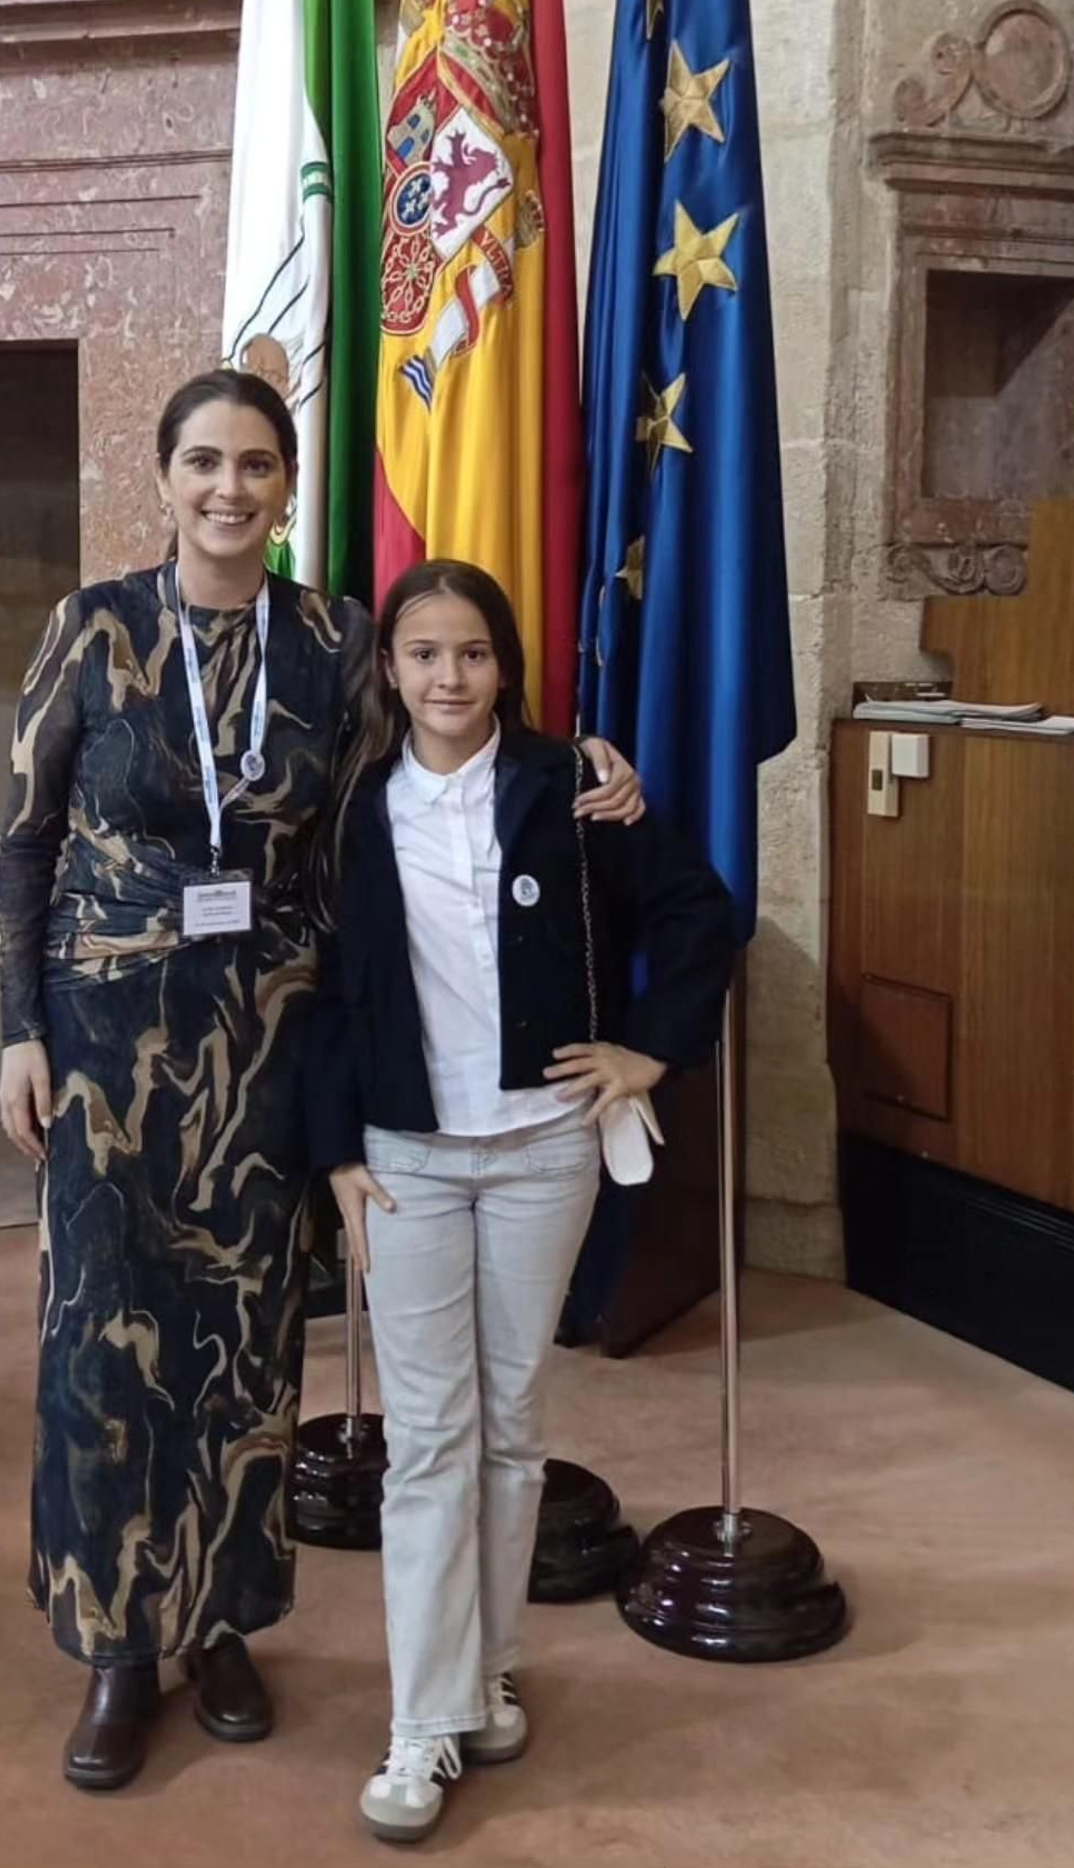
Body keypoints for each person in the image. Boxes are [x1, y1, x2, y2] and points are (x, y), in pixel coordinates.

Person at [0, 369, 646, 1791]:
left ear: (288, 487)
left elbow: (438, 756)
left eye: (256, 465)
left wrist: (586, 767)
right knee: (102, 1343)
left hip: (269, 1046)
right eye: (204, 461)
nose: (229, 488)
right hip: (107, 1045)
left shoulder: (337, 639)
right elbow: (27, 837)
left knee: (247, 1342)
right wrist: (17, 1027)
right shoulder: (94, 627)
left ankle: (222, 1620)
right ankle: (119, 1643)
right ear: (164, 476)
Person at [309, 560, 734, 1844]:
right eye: (423, 654)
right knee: (429, 1439)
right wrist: (334, 1152)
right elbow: (320, 990)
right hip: (406, 1159)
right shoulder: (350, 803)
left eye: (473, 653)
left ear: (505, 666)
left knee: (510, 1430)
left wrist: (648, 1051)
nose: (449, 677)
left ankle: (486, 1674)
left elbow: (700, 914)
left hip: (545, 1151)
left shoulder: (573, 786)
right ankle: (420, 1721)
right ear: (390, 671)